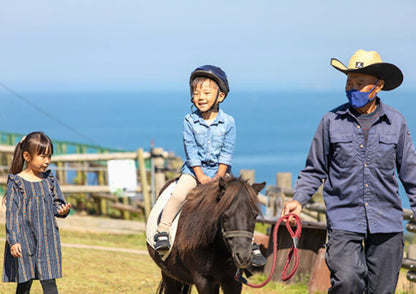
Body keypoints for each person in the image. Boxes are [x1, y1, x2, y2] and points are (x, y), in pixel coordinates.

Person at [282, 49, 416, 293]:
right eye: (349, 82)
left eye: (360, 83)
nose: (352, 88)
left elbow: (410, 173)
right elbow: (314, 169)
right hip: (344, 219)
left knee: (382, 290)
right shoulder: (330, 121)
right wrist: (298, 200)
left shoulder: (396, 122)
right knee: (347, 280)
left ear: (378, 86)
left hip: (386, 221)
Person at [153, 65, 266, 267]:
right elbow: (191, 150)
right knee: (178, 195)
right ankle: (162, 230)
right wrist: (200, 175)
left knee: (240, 203)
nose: (201, 97)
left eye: (206, 92)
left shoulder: (229, 122)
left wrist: (219, 177)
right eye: (196, 93)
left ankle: (250, 243)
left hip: (221, 173)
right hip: (193, 171)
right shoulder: (189, 120)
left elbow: (227, 152)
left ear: (220, 96)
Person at [2, 132, 71, 294]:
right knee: (25, 282)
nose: (47, 161)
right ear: (27, 156)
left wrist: (62, 211)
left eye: (49, 156)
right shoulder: (16, 182)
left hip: (47, 241)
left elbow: (57, 205)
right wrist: (14, 241)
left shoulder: (50, 179)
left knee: (49, 282)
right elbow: (12, 214)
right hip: (24, 241)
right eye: (42, 156)